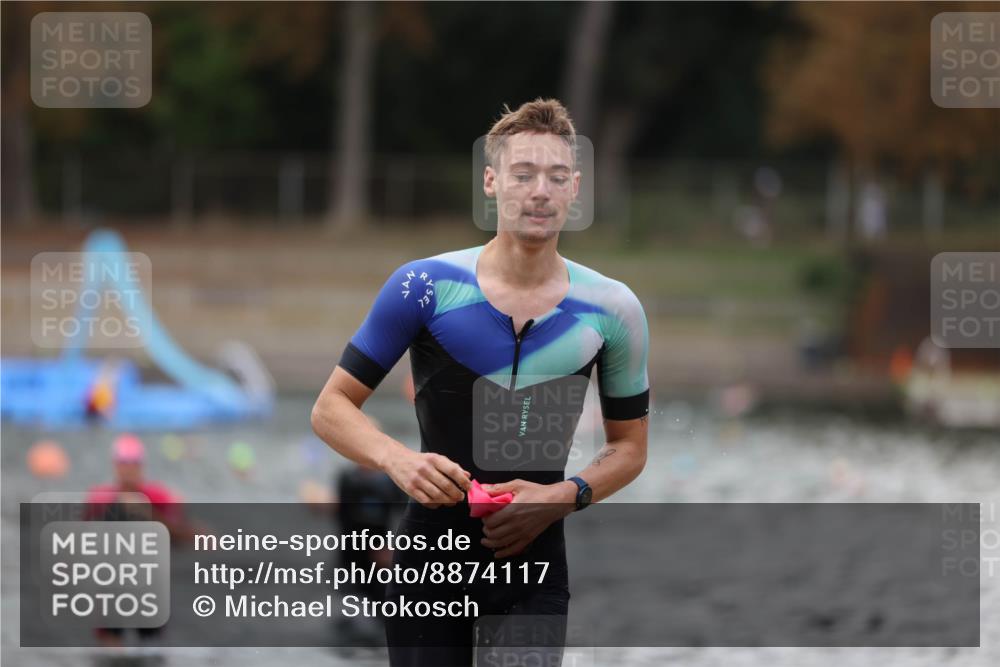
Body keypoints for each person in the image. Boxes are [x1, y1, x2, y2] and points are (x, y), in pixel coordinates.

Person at [311, 98, 650, 666]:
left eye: (556, 176)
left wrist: (563, 497)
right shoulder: (423, 286)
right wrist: (399, 460)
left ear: (575, 189)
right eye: (523, 174)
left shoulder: (612, 310)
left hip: (533, 562)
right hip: (428, 560)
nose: (539, 190)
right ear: (492, 181)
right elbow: (330, 408)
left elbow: (630, 447)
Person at [85, 434, 192, 647]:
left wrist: (146, 511)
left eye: (134, 463)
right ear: (115, 466)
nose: (129, 469)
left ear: (142, 466)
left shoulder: (159, 497)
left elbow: (185, 536)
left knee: (152, 647)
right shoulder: (100, 498)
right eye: (124, 463)